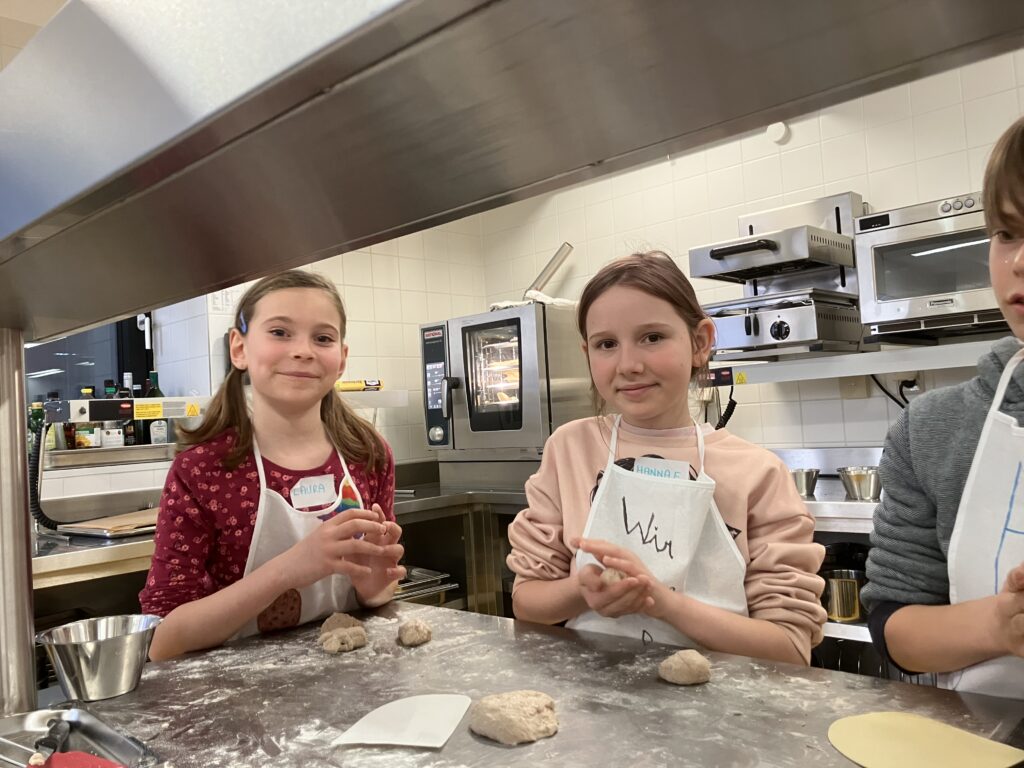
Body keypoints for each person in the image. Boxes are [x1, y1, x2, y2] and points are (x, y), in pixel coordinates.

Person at [506, 251, 827, 665]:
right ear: (588, 354)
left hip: (725, 701)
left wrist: (663, 603)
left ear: (700, 342)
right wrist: (581, 590)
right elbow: (527, 603)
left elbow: (790, 647)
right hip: (591, 696)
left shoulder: (757, 473)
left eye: (652, 337)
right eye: (606, 344)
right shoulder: (570, 449)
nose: (629, 365)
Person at [140, 270, 405, 660]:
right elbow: (163, 641)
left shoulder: (368, 455)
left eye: (323, 338)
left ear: (342, 359)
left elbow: (379, 594)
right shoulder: (202, 470)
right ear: (239, 348)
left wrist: (374, 585)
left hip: (350, 682)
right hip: (234, 690)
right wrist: (288, 570)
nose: (303, 351)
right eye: (280, 332)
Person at [862, 116, 1024, 699]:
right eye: (1006, 233)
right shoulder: (933, 429)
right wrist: (1000, 626)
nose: (1018, 262)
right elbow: (893, 626)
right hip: (987, 734)